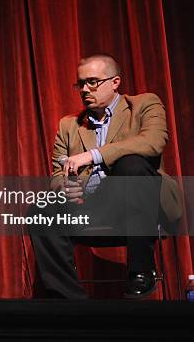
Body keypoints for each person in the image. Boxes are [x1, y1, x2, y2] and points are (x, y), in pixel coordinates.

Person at [30, 54, 182, 299]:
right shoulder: (69, 125)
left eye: (93, 82)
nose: (85, 90)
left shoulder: (144, 105)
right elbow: (58, 173)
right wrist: (66, 188)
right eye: (80, 84)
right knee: (41, 209)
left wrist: (93, 155)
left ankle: (141, 270)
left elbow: (153, 142)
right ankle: (67, 297)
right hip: (91, 204)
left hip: (137, 201)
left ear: (115, 82)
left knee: (131, 165)